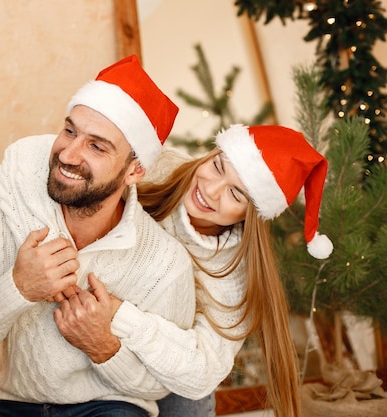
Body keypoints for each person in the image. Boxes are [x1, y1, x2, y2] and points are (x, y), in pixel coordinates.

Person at [0, 55, 200, 417]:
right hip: (14, 403)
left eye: (97, 146)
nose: (69, 154)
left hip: (110, 408)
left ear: (135, 170)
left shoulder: (164, 264)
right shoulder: (8, 193)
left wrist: (103, 347)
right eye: (70, 131)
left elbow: (160, 384)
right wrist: (18, 287)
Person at [54, 124, 332, 417]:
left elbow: (202, 371)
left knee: (188, 394)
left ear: (249, 216)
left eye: (235, 195)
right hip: (77, 331)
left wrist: (119, 315)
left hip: (155, 365)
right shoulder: (157, 168)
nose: (210, 190)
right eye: (217, 166)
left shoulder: (236, 277)